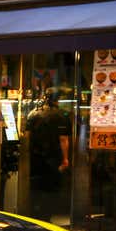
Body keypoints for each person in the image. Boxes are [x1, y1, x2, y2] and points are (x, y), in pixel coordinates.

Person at [25, 88, 72, 222]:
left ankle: (35, 217)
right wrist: (65, 159)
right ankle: (46, 218)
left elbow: (26, 137)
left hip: (35, 158)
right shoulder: (62, 116)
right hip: (53, 158)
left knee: (36, 188)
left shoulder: (33, 114)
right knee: (51, 189)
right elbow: (63, 140)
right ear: (57, 99)